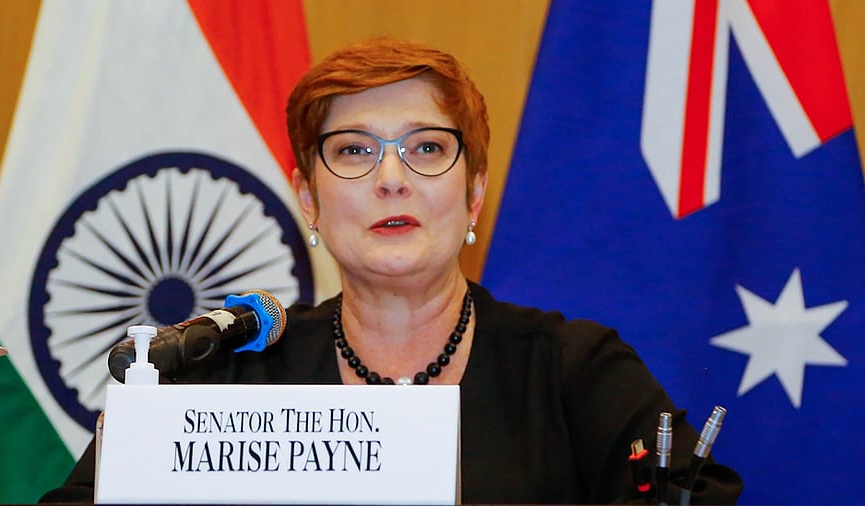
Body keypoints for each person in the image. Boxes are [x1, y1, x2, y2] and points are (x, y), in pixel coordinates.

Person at [41, 37, 742, 504]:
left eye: (427, 148)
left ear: (474, 193)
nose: (391, 180)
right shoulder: (223, 370)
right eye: (352, 151)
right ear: (308, 200)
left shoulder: (573, 374)